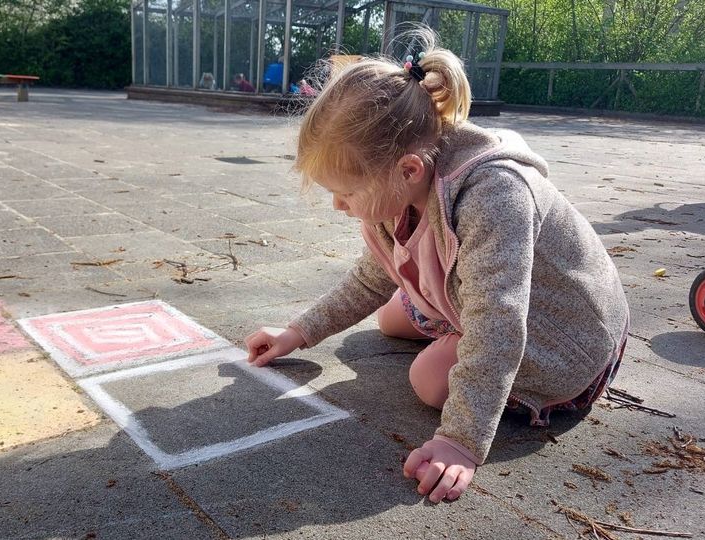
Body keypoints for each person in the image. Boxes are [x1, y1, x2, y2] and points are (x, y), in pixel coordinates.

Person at [244, 28, 629, 504]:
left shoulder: (494, 195)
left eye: (345, 192)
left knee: (429, 379)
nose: (338, 206)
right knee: (389, 314)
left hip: (565, 336)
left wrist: (461, 441)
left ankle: (464, 355)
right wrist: (297, 333)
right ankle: (446, 327)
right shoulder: (404, 185)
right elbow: (372, 277)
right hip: (490, 299)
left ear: (407, 170)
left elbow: (498, 323)